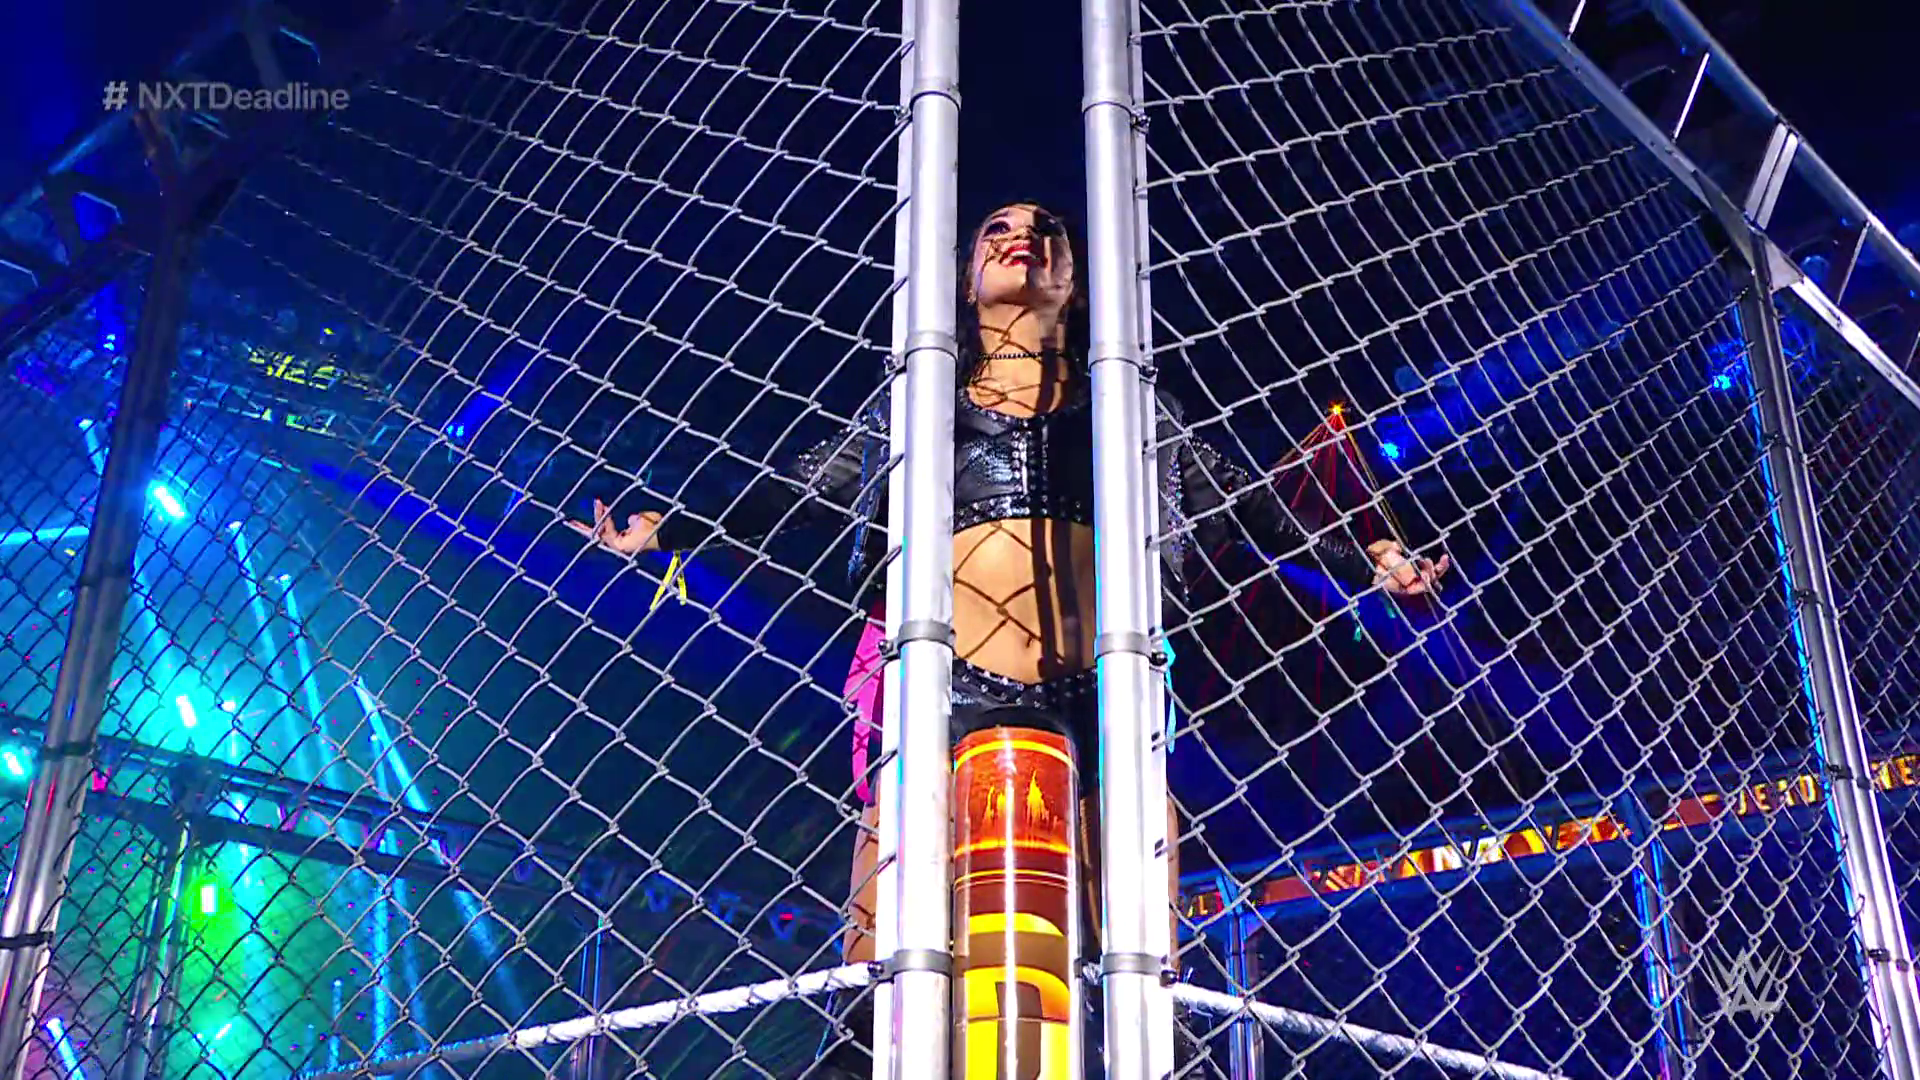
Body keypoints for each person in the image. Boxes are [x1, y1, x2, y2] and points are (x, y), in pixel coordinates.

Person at [575, 202, 1448, 1074]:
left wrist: (1365, 556)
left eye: (1045, 230)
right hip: (944, 674)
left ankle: (1156, 1032)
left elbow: (1252, 501)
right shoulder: (918, 403)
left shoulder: (1132, 405)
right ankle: (862, 1041)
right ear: (965, 280)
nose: (1020, 236)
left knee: (1129, 848)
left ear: (1074, 282)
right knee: (899, 846)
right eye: (996, 229)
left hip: (1096, 683)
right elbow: (798, 488)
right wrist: (670, 526)